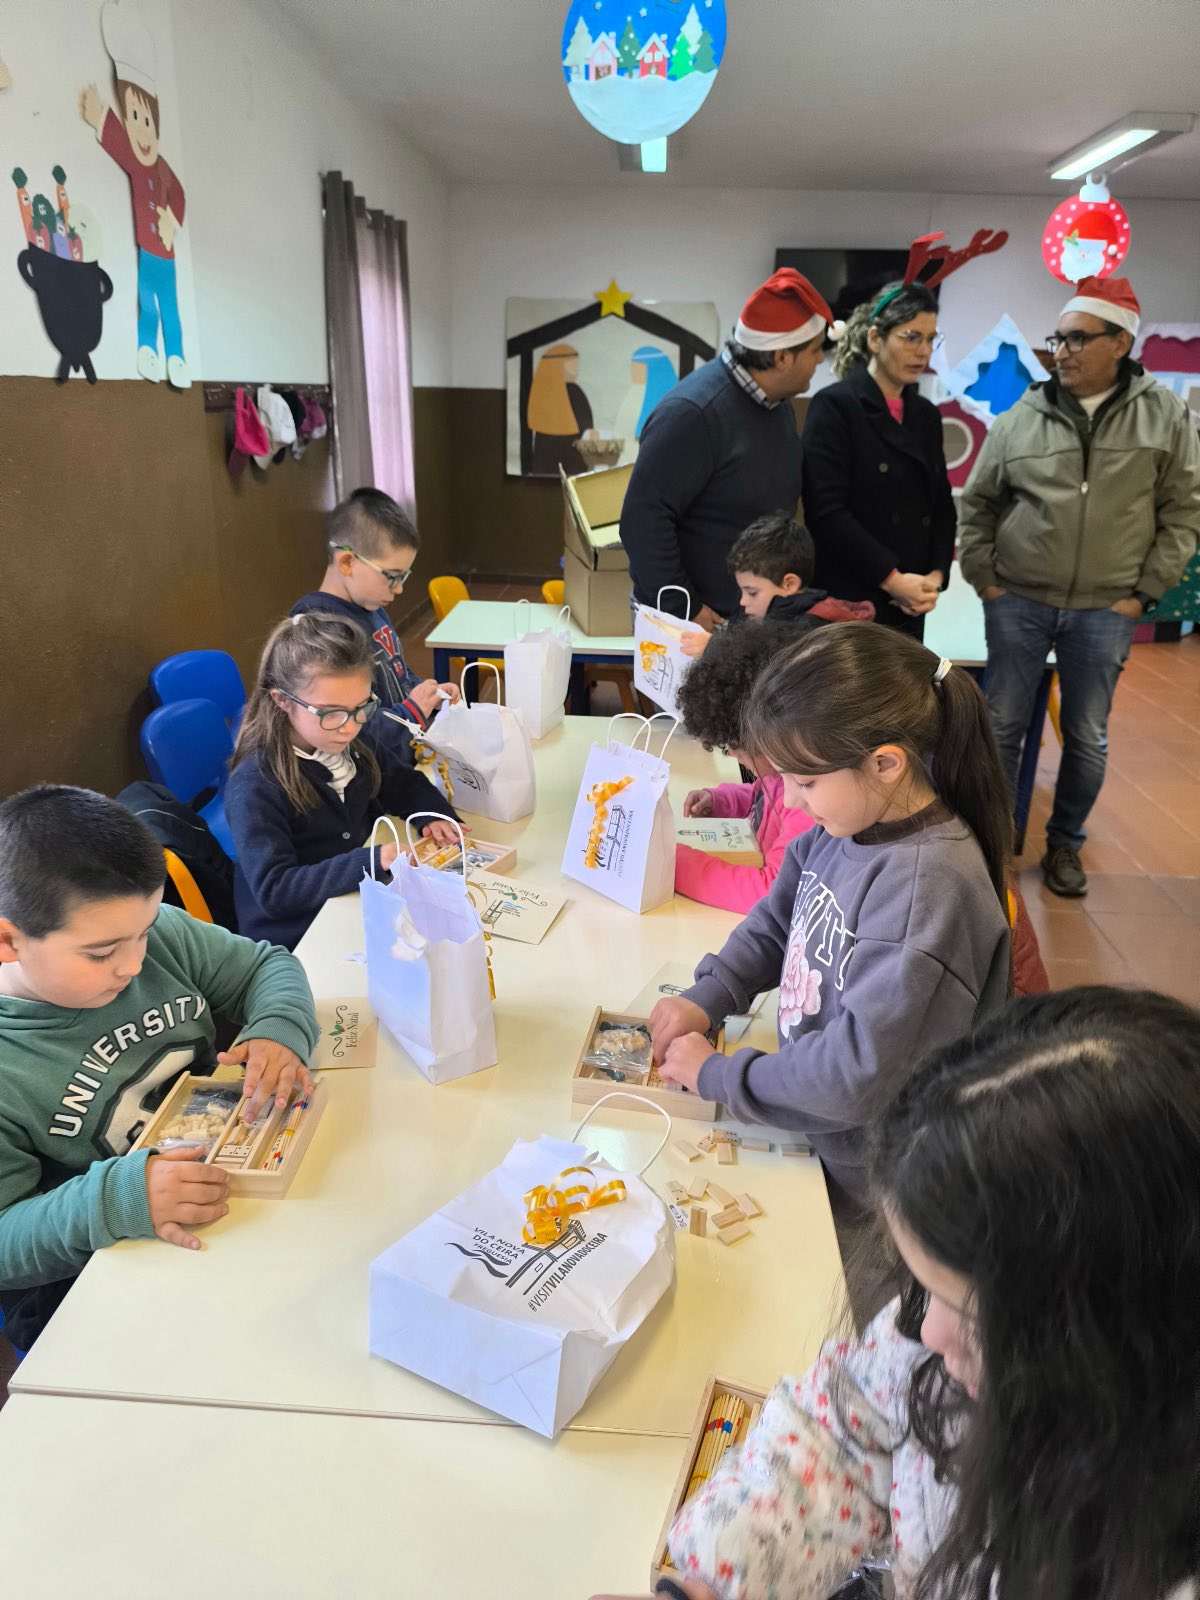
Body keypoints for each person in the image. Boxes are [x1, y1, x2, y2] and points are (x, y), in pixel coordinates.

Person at [634, 986, 1200, 1600]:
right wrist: (715, 1582)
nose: (926, 1331)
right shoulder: (933, 1337)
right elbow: (846, 1426)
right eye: (925, 1290)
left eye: (967, 1310)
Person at [649, 624, 1012, 1212]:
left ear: (886, 763)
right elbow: (777, 923)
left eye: (805, 781)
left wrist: (719, 1075)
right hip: (813, 1129)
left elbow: (855, 1073)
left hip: (876, 1186)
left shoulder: (926, 892)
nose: (789, 800)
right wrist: (710, 995)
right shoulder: (847, 824)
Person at [0, 785, 318, 1352]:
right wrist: (115, 1200)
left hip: (233, 1196)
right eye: (101, 953)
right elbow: (7, 1244)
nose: (134, 963)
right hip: (100, 1265)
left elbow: (266, 967)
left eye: (143, 933)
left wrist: (276, 1028)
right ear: (8, 941)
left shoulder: (153, 932)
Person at [959, 275, 1200, 897]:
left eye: (1076, 339)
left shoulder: (1165, 415)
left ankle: (1065, 845)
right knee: (1002, 727)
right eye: (1057, 339)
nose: (1061, 352)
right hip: (1017, 600)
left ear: (1120, 342)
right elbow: (979, 503)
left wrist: (1143, 593)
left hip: (1106, 607)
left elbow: (1183, 511)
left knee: (1087, 737)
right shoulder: (1024, 415)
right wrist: (987, 581)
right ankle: (990, 845)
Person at [225, 613, 459, 950]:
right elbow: (276, 891)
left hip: (352, 899)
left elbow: (399, 782)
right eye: (330, 712)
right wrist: (372, 860)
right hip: (297, 936)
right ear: (282, 700)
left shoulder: (349, 741)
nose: (350, 726)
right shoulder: (255, 785)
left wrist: (431, 814)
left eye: (361, 707)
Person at [620, 269, 832, 629]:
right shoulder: (693, 414)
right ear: (782, 357)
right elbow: (643, 520)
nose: (820, 361)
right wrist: (684, 608)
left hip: (747, 617)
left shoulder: (775, 402)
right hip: (697, 620)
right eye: (815, 351)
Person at [801, 280, 956, 637]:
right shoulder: (835, 406)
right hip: (851, 596)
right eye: (911, 337)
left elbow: (941, 507)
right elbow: (827, 512)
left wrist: (933, 578)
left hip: (911, 598)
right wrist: (893, 580)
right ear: (875, 339)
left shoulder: (926, 415)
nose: (923, 351)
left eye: (931, 339)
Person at [290, 488, 459, 765]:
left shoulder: (372, 607)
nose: (399, 588)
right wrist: (412, 711)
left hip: (398, 753)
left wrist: (429, 694)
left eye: (404, 576)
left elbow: (396, 671)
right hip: (366, 771)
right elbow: (348, 730)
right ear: (347, 562)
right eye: (392, 576)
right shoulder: (321, 632)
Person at [675, 619, 816, 913]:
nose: (731, 754)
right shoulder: (781, 773)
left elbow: (769, 891)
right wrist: (722, 800)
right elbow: (761, 796)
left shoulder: (807, 802)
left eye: (734, 745)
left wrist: (675, 862)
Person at [681, 513, 875, 656]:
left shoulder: (808, 633)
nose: (743, 602)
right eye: (742, 591)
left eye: (752, 593)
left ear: (789, 584)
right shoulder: (767, 612)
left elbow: (764, 666)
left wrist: (714, 649)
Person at [527, 343, 597, 475]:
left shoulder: (543, 394)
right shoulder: (571, 391)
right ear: (559, 365)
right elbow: (586, 426)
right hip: (566, 459)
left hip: (558, 461)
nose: (577, 369)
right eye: (573, 364)